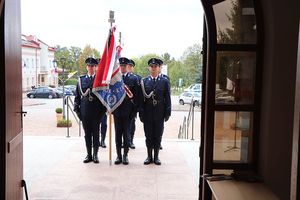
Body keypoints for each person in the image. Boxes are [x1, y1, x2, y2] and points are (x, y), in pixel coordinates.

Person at [74, 57, 106, 164]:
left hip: (97, 112)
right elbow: (77, 97)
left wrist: (102, 113)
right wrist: (78, 112)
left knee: (96, 134)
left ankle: (95, 155)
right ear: (86, 67)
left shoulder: (100, 80)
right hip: (85, 112)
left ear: (96, 67)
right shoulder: (81, 80)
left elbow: (103, 98)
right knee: (87, 134)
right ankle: (89, 154)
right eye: (89, 66)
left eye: (93, 66)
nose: (91, 68)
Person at [139, 58, 171, 165]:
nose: (153, 69)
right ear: (149, 68)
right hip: (148, 112)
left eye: (155, 67)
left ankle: (156, 157)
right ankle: (149, 157)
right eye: (151, 67)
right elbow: (141, 100)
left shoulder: (165, 81)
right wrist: (141, 112)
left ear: (159, 68)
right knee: (148, 135)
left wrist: (167, 112)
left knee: (158, 135)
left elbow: (167, 98)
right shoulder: (144, 81)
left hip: (159, 112)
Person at [112, 57, 136, 165]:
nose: (122, 67)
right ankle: (118, 156)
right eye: (120, 66)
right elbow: (110, 94)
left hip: (128, 112)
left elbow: (137, 97)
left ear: (127, 66)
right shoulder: (114, 79)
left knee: (126, 134)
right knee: (117, 134)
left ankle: (125, 155)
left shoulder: (133, 79)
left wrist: (134, 112)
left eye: (124, 66)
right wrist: (111, 108)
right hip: (117, 111)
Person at [127, 59, 141, 149]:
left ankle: (131, 141)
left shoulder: (137, 78)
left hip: (132, 106)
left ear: (133, 68)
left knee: (132, 124)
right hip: (122, 105)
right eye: (128, 66)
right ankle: (123, 141)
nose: (129, 68)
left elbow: (138, 94)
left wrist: (136, 107)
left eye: (131, 66)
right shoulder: (120, 77)